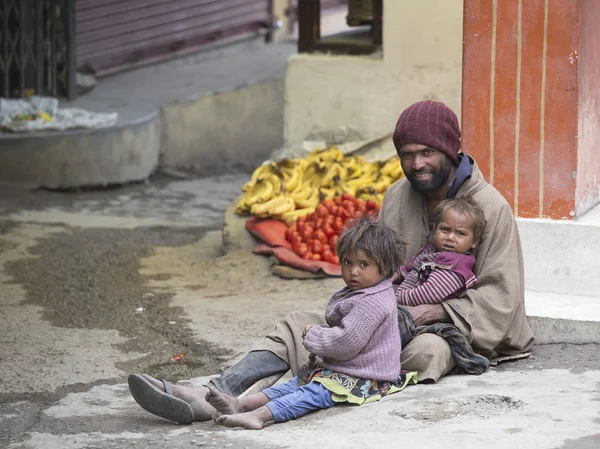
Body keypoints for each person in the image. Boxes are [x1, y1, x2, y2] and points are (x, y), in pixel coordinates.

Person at [128, 99, 534, 425]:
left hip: (460, 331)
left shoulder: (490, 208)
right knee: (301, 322)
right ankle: (216, 392)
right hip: (389, 313)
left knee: (425, 351)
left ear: (450, 150)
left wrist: (430, 311)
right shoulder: (397, 195)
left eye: (427, 152)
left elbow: (503, 299)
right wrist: (364, 302)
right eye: (407, 154)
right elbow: (381, 268)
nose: (416, 164)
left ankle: (287, 395)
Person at [201, 216, 408, 430]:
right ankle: (241, 404)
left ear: (384, 268)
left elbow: (346, 343)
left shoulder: (372, 303)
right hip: (353, 368)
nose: (353, 271)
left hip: (369, 377)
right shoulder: (367, 290)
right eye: (348, 262)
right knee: (299, 382)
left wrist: (315, 335)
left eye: (364, 264)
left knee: (314, 392)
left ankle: (261, 416)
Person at [396, 196, 485, 306]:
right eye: (445, 229)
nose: (450, 237)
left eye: (460, 233)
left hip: (427, 314)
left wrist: (396, 299)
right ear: (434, 231)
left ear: (474, 241)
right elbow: (413, 269)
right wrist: (399, 275)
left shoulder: (456, 267)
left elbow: (428, 294)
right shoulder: (432, 251)